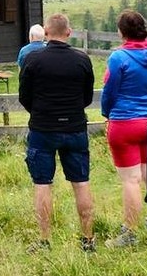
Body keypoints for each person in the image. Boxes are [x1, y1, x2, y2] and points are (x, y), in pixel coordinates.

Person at [19, 13, 95, 252]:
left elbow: (24, 97)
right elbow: (87, 97)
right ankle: (88, 239)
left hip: (43, 128)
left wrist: (40, 111)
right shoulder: (82, 60)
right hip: (74, 127)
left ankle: (44, 240)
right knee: (81, 183)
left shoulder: (33, 60)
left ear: (46, 33)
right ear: (69, 32)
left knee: (43, 184)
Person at [97, 10, 147, 247]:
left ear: (122, 32)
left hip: (124, 122)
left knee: (131, 180)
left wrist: (107, 113)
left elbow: (110, 91)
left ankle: (130, 230)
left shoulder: (119, 58)